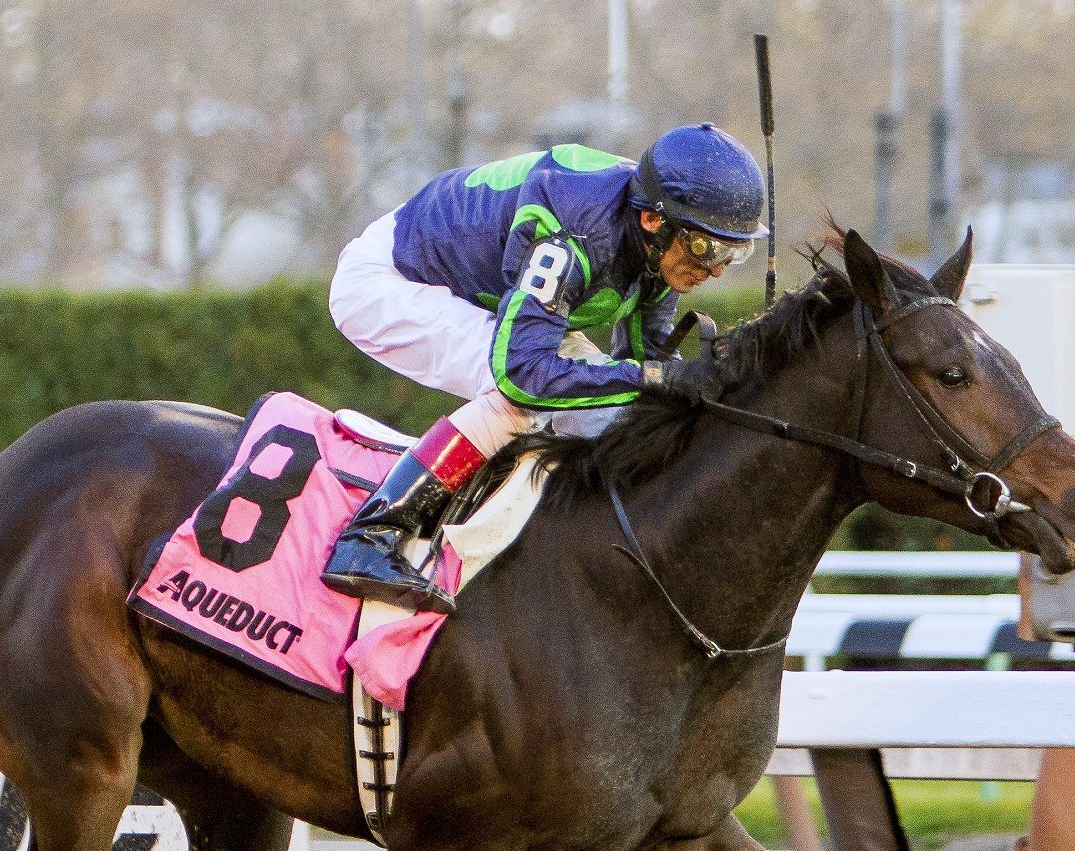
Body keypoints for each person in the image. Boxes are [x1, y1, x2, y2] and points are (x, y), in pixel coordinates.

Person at [323, 124, 766, 613]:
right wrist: (657, 379)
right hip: (388, 283)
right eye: (707, 248)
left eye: (734, 252)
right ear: (652, 222)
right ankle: (372, 535)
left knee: (605, 402)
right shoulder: (576, 234)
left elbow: (648, 374)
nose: (717, 269)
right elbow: (524, 372)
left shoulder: (662, 252)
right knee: (522, 399)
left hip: (466, 286)